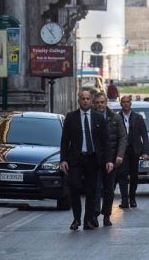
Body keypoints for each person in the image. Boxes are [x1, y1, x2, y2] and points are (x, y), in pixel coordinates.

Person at [60, 90, 114, 231]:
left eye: (87, 99)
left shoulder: (98, 118)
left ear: (91, 101)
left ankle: (87, 220)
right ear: (79, 100)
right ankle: (76, 219)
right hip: (76, 159)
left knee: (92, 190)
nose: (85, 101)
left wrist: (109, 160)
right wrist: (63, 160)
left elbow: (105, 141)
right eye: (82, 98)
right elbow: (65, 141)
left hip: (93, 159)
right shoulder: (71, 117)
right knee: (74, 187)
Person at [92, 92, 127, 227]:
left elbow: (123, 137)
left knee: (108, 189)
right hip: (95, 160)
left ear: (106, 103)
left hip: (111, 160)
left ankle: (106, 215)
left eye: (102, 102)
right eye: (97, 103)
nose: (100, 105)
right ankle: (94, 215)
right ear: (94, 104)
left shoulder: (115, 117)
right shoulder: (91, 118)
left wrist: (119, 155)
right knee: (95, 189)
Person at [117, 95, 149, 208]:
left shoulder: (138, 117)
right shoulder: (117, 117)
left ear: (131, 103)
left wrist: (145, 151)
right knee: (122, 175)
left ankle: (132, 198)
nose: (125, 104)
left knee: (134, 176)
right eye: (123, 102)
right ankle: (124, 200)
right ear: (121, 104)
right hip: (122, 151)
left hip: (135, 151)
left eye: (127, 102)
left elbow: (144, 135)